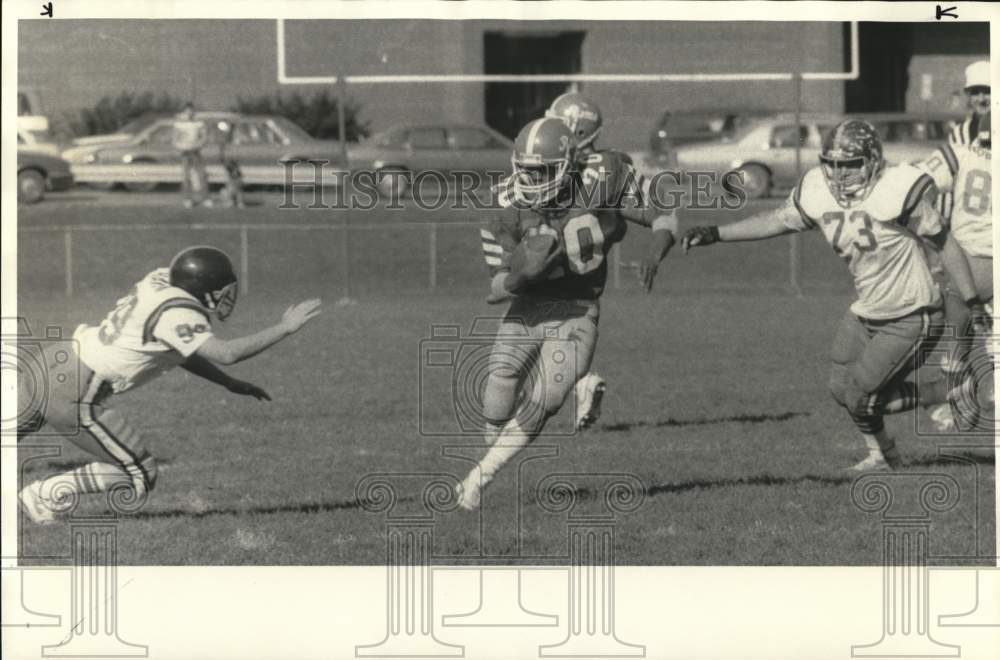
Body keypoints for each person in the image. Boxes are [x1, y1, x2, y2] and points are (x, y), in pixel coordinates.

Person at [682, 120, 979, 471]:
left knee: (861, 396)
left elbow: (945, 244)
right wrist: (716, 233)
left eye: (850, 164)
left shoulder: (897, 188)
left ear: (872, 161)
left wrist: (971, 299)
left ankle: (931, 402)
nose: (839, 173)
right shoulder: (817, 189)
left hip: (913, 313)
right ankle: (889, 449)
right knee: (842, 392)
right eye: (833, 163)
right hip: (867, 308)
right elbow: (776, 220)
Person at [462, 116, 677, 510]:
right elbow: (494, 291)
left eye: (543, 171)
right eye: (526, 171)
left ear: (568, 164)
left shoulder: (602, 176)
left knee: (548, 395)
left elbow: (664, 213)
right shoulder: (503, 204)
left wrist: (655, 252)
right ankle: (489, 459)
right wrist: (522, 276)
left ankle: (481, 477)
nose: (532, 180)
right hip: (528, 304)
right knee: (500, 381)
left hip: (579, 307)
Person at [17, 246, 322, 523]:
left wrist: (227, 383)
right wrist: (285, 328)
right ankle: (44, 493)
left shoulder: (160, 280)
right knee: (140, 473)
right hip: (74, 391)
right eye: (220, 290)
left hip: (52, 360)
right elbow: (227, 353)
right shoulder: (177, 313)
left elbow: (180, 351)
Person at [919, 111, 993, 431]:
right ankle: (970, 400)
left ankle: (961, 403)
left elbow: (919, 185)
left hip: (962, 260)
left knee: (958, 340)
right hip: (979, 260)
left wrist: (932, 229)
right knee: (973, 340)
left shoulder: (961, 153)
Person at [172, 103, 210, 208]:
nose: (189, 113)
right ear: (184, 112)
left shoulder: (199, 123)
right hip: (184, 153)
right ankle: (187, 199)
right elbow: (175, 140)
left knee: (202, 175)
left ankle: (205, 198)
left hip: (196, 152)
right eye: (187, 111)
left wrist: (198, 145)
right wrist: (182, 147)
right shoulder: (178, 124)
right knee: (186, 177)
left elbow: (204, 138)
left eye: (191, 111)